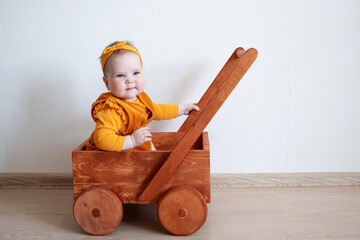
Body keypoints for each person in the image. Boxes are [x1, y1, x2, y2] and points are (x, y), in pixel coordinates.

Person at [86, 41, 199, 151]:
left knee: (148, 145)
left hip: (135, 143)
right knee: (146, 148)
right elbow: (102, 139)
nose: (129, 80)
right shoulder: (112, 110)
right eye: (120, 75)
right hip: (113, 151)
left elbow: (158, 110)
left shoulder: (140, 99)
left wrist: (182, 109)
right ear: (107, 83)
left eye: (135, 73)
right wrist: (132, 141)